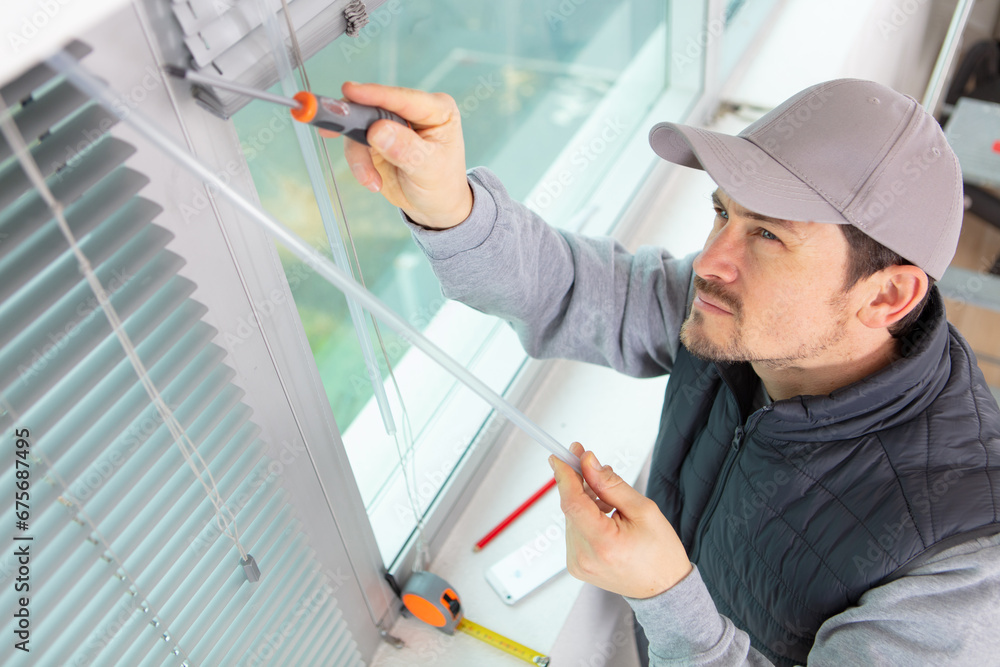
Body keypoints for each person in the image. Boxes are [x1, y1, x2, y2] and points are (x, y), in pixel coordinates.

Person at [331, 78, 1000, 665]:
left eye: (768, 235)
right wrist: (449, 205)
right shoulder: (741, 319)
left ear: (886, 296)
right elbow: (580, 291)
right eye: (722, 212)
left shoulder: (960, 573)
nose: (711, 258)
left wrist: (665, 596)